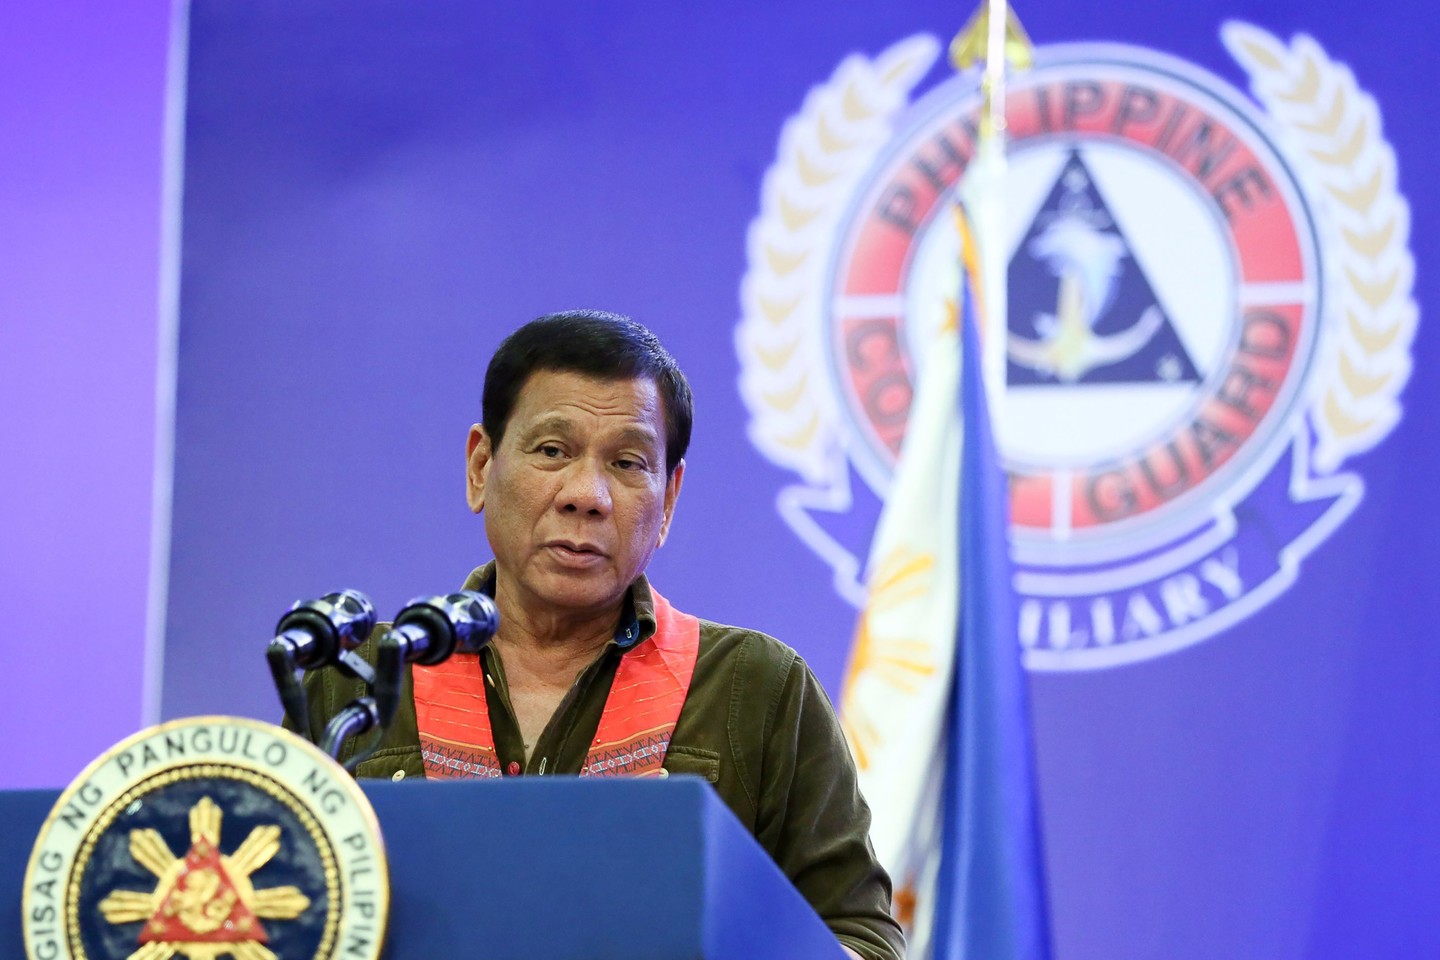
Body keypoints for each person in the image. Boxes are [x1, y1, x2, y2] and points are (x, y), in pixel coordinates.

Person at [290, 309, 904, 960]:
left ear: (668, 500)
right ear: (480, 466)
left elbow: (862, 938)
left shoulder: (758, 688)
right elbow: (269, 911)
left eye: (627, 462)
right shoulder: (359, 679)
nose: (586, 494)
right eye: (552, 451)